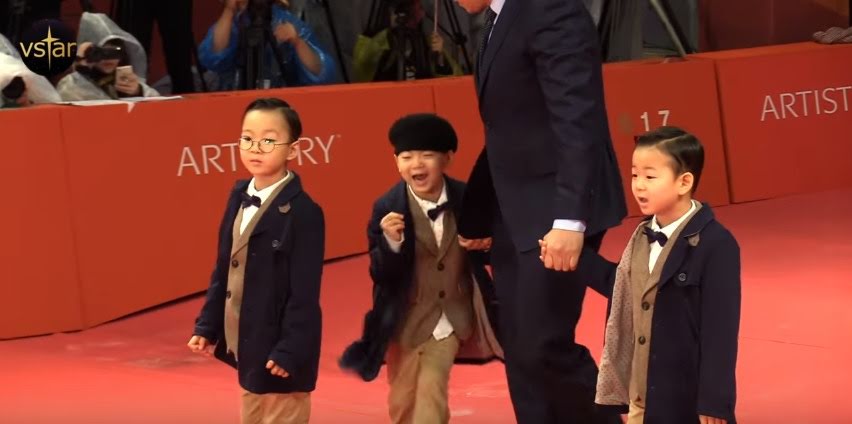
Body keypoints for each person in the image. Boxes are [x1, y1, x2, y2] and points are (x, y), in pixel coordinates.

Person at [453, 0, 628, 422]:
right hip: (513, 207)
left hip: (558, 208)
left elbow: (576, 119)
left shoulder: (551, 9)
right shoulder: (498, 19)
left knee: (543, 345)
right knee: (518, 345)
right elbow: (508, 129)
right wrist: (480, 212)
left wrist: (569, 220)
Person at [340, 114, 501, 424]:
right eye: (407, 157)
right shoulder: (386, 207)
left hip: (452, 315)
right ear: (396, 163)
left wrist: (486, 244)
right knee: (403, 400)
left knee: (431, 388)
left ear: (447, 158)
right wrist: (391, 242)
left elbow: (495, 250)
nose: (417, 164)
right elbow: (380, 274)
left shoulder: (468, 198)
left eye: (427, 155)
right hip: (404, 320)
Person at [574, 126, 741, 424]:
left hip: (686, 398)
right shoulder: (641, 236)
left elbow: (720, 331)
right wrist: (574, 256)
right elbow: (623, 286)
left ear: (684, 182)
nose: (639, 186)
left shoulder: (717, 244)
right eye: (634, 175)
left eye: (650, 177)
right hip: (642, 398)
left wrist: (715, 402)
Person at [188, 97, 325, 424]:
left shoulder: (305, 213)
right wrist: (208, 325)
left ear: (293, 150)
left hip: (282, 352)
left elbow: (305, 293)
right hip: (248, 345)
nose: (256, 148)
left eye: (268, 140)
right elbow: (224, 266)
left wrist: (290, 348)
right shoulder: (238, 196)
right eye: (247, 139)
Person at [198, 0, 337, 91]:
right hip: (234, 99)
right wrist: (229, 10)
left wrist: (297, 42)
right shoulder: (236, 23)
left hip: (281, 104)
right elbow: (212, 57)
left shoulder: (287, 22)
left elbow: (323, 74)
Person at [56, 12, 159, 101]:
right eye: (101, 52)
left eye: (114, 52)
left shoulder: (126, 79)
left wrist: (138, 92)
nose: (109, 59)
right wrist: (82, 69)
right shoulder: (70, 83)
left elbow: (158, 103)